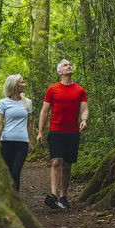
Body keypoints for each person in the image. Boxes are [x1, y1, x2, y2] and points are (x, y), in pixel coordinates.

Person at [37, 59, 88, 209]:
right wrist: (40, 131)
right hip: (56, 130)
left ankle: (64, 196)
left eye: (70, 64)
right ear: (60, 71)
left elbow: (84, 108)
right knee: (56, 161)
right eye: (65, 65)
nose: (69, 66)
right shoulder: (52, 89)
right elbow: (44, 111)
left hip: (72, 132)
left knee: (67, 165)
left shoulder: (80, 90)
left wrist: (84, 119)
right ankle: (53, 195)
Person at [0, 74, 34, 192]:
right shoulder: (3, 103)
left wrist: (31, 141)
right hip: (6, 141)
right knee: (6, 172)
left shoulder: (27, 102)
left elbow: (29, 124)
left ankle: (15, 200)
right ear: (14, 85)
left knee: (16, 171)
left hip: (22, 142)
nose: (24, 84)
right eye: (22, 82)